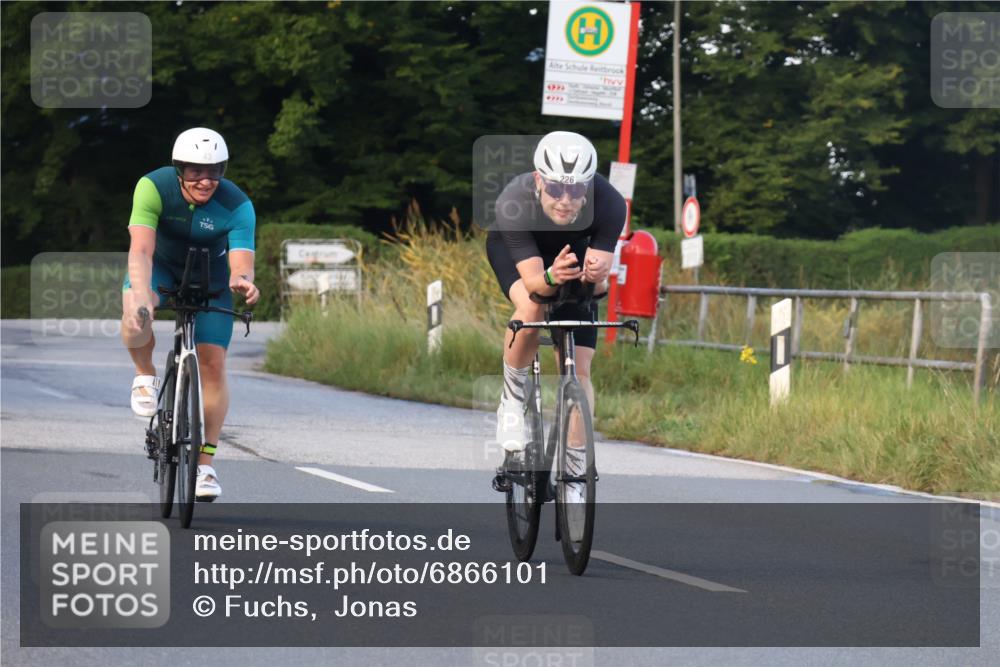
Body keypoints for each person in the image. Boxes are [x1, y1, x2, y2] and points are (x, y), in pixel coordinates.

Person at [121, 127, 259, 501]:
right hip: (160, 266)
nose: (206, 180)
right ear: (179, 169)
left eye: (215, 171)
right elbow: (141, 250)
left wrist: (244, 282)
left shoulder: (238, 204)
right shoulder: (153, 187)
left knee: (213, 362)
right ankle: (144, 374)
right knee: (136, 310)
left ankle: (205, 465)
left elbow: (241, 263)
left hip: (210, 274)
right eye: (196, 171)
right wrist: (141, 294)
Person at [486, 131, 626, 477]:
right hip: (520, 254)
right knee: (532, 308)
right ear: (538, 180)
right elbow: (536, 284)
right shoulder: (513, 200)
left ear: (588, 187)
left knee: (580, 370)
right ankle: (511, 404)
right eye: (555, 189)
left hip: (571, 253)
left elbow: (598, 289)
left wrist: (594, 278)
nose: (565, 200)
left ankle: (575, 466)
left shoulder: (610, 203)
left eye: (576, 191)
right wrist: (551, 277)